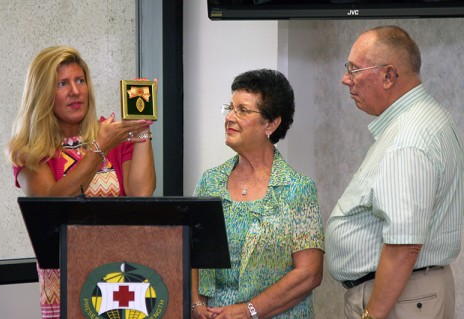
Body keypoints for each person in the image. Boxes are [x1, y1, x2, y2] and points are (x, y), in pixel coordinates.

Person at [6, 46, 156, 319]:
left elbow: (141, 192)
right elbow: (53, 202)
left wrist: (142, 128)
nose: (75, 91)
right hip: (66, 280)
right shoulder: (29, 150)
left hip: (121, 273)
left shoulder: (108, 133)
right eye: (62, 84)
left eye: (80, 81)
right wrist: (99, 148)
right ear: (42, 94)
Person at [325, 26, 464, 319]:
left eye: (354, 69)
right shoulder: (423, 120)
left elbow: (404, 245)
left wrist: (372, 315)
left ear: (388, 75)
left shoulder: (409, 139)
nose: (345, 79)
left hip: (401, 300)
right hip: (409, 294)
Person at [192, 69, 324, 319]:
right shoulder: (210, 182)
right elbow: (190, 252)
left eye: (242, 110)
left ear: (271, 124)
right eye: (230, 108)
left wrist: (249, 311)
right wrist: (197, 307)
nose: (230, 117)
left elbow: (309, 273)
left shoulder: (297, 189)